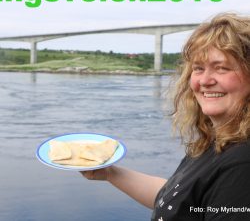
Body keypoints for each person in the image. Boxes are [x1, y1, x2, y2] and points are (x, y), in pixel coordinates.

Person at [81, 12, 250, 221]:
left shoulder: (242, 164)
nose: (205, 80)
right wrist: (109, 173)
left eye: (221, 68)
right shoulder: (217, 142)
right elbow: (178, 201)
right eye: (198, 68)